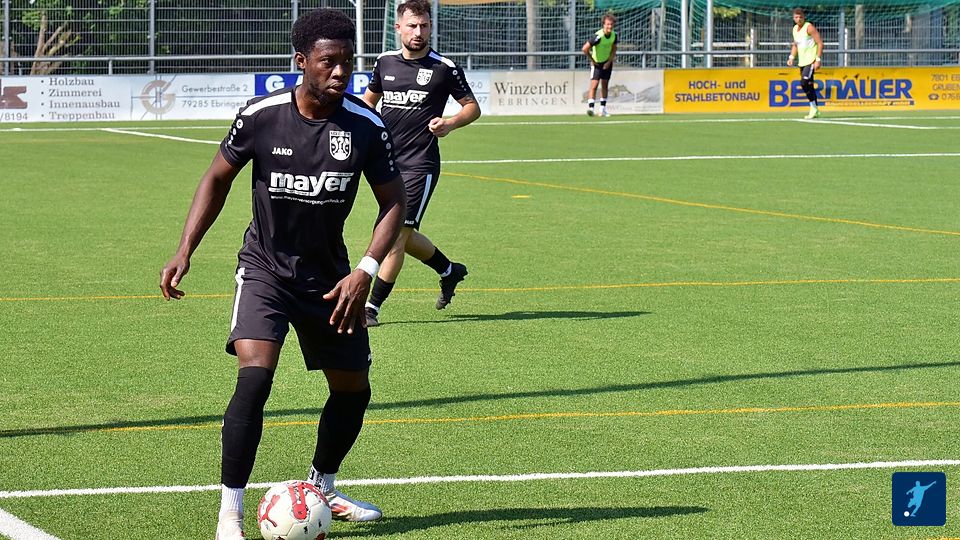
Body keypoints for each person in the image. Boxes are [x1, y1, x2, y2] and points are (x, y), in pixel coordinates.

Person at [158, 9, 406, 539]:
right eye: (328, 62)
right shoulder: (261, 116)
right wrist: (185, 250)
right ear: (301, 62)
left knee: (353, 389)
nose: (340, 72)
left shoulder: (365, 126)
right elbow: (216, 178)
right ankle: (230, 514)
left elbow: (394, 203)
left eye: (347, 62)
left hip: (332, 280)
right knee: (255, 378)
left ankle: (323, 486)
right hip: (265, 269)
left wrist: (365, 269)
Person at [361, 0, 481, 327]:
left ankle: (371, 308)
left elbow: (472, 107)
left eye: (424, 25)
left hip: (420, 163)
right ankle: (449, 270)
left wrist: (450, 123)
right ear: (398, 27)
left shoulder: (444, 67)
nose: (419, 32)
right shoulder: (384, 62)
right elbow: (369, 103)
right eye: (412, 25)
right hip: (386, 162)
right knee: (403, 231)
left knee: (394, 235)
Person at [787, 7, 823, 119]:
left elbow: (820, 43)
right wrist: (791, 57)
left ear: (804, 17)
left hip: (811, 60)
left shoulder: (809, 27)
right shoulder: (794, 29)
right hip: (802, 62)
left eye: (801, 17)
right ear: (793, 18)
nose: (799, 19)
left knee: (804, 82)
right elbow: (795, 44)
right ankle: (815, 109)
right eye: (796, 17)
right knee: (809, 85)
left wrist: (818, 59)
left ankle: (813, 108)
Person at [582, 14, 618, 117]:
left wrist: (609, 61)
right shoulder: (598, 36)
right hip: (597, 63)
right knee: (594, 85)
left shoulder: (614, 35)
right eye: (608, 24)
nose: (610, 26)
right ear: (603, 25)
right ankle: (591, 109)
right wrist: (592, 60)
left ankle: (602, 110)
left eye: (611, 24)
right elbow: (584, 49)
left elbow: (614, 49)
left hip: (607, 62)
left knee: (605, 85)